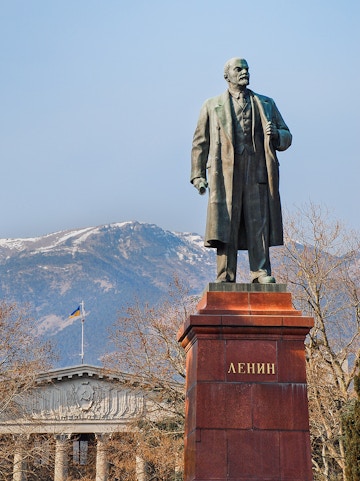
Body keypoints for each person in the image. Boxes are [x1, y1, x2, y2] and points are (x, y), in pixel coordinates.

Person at [191, 58, 292, 283]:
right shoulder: (211, 105)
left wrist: (276, 134)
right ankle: (225, 276)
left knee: (259, 223)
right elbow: (200, 143)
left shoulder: (266, 104)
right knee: (227, 222)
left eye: (246, 68)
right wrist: (198, 175)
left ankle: (260, 272)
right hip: (225, 175)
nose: (244, 72)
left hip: (258, 173)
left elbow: (287, 137)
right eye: (239, 69)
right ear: (227, 75)